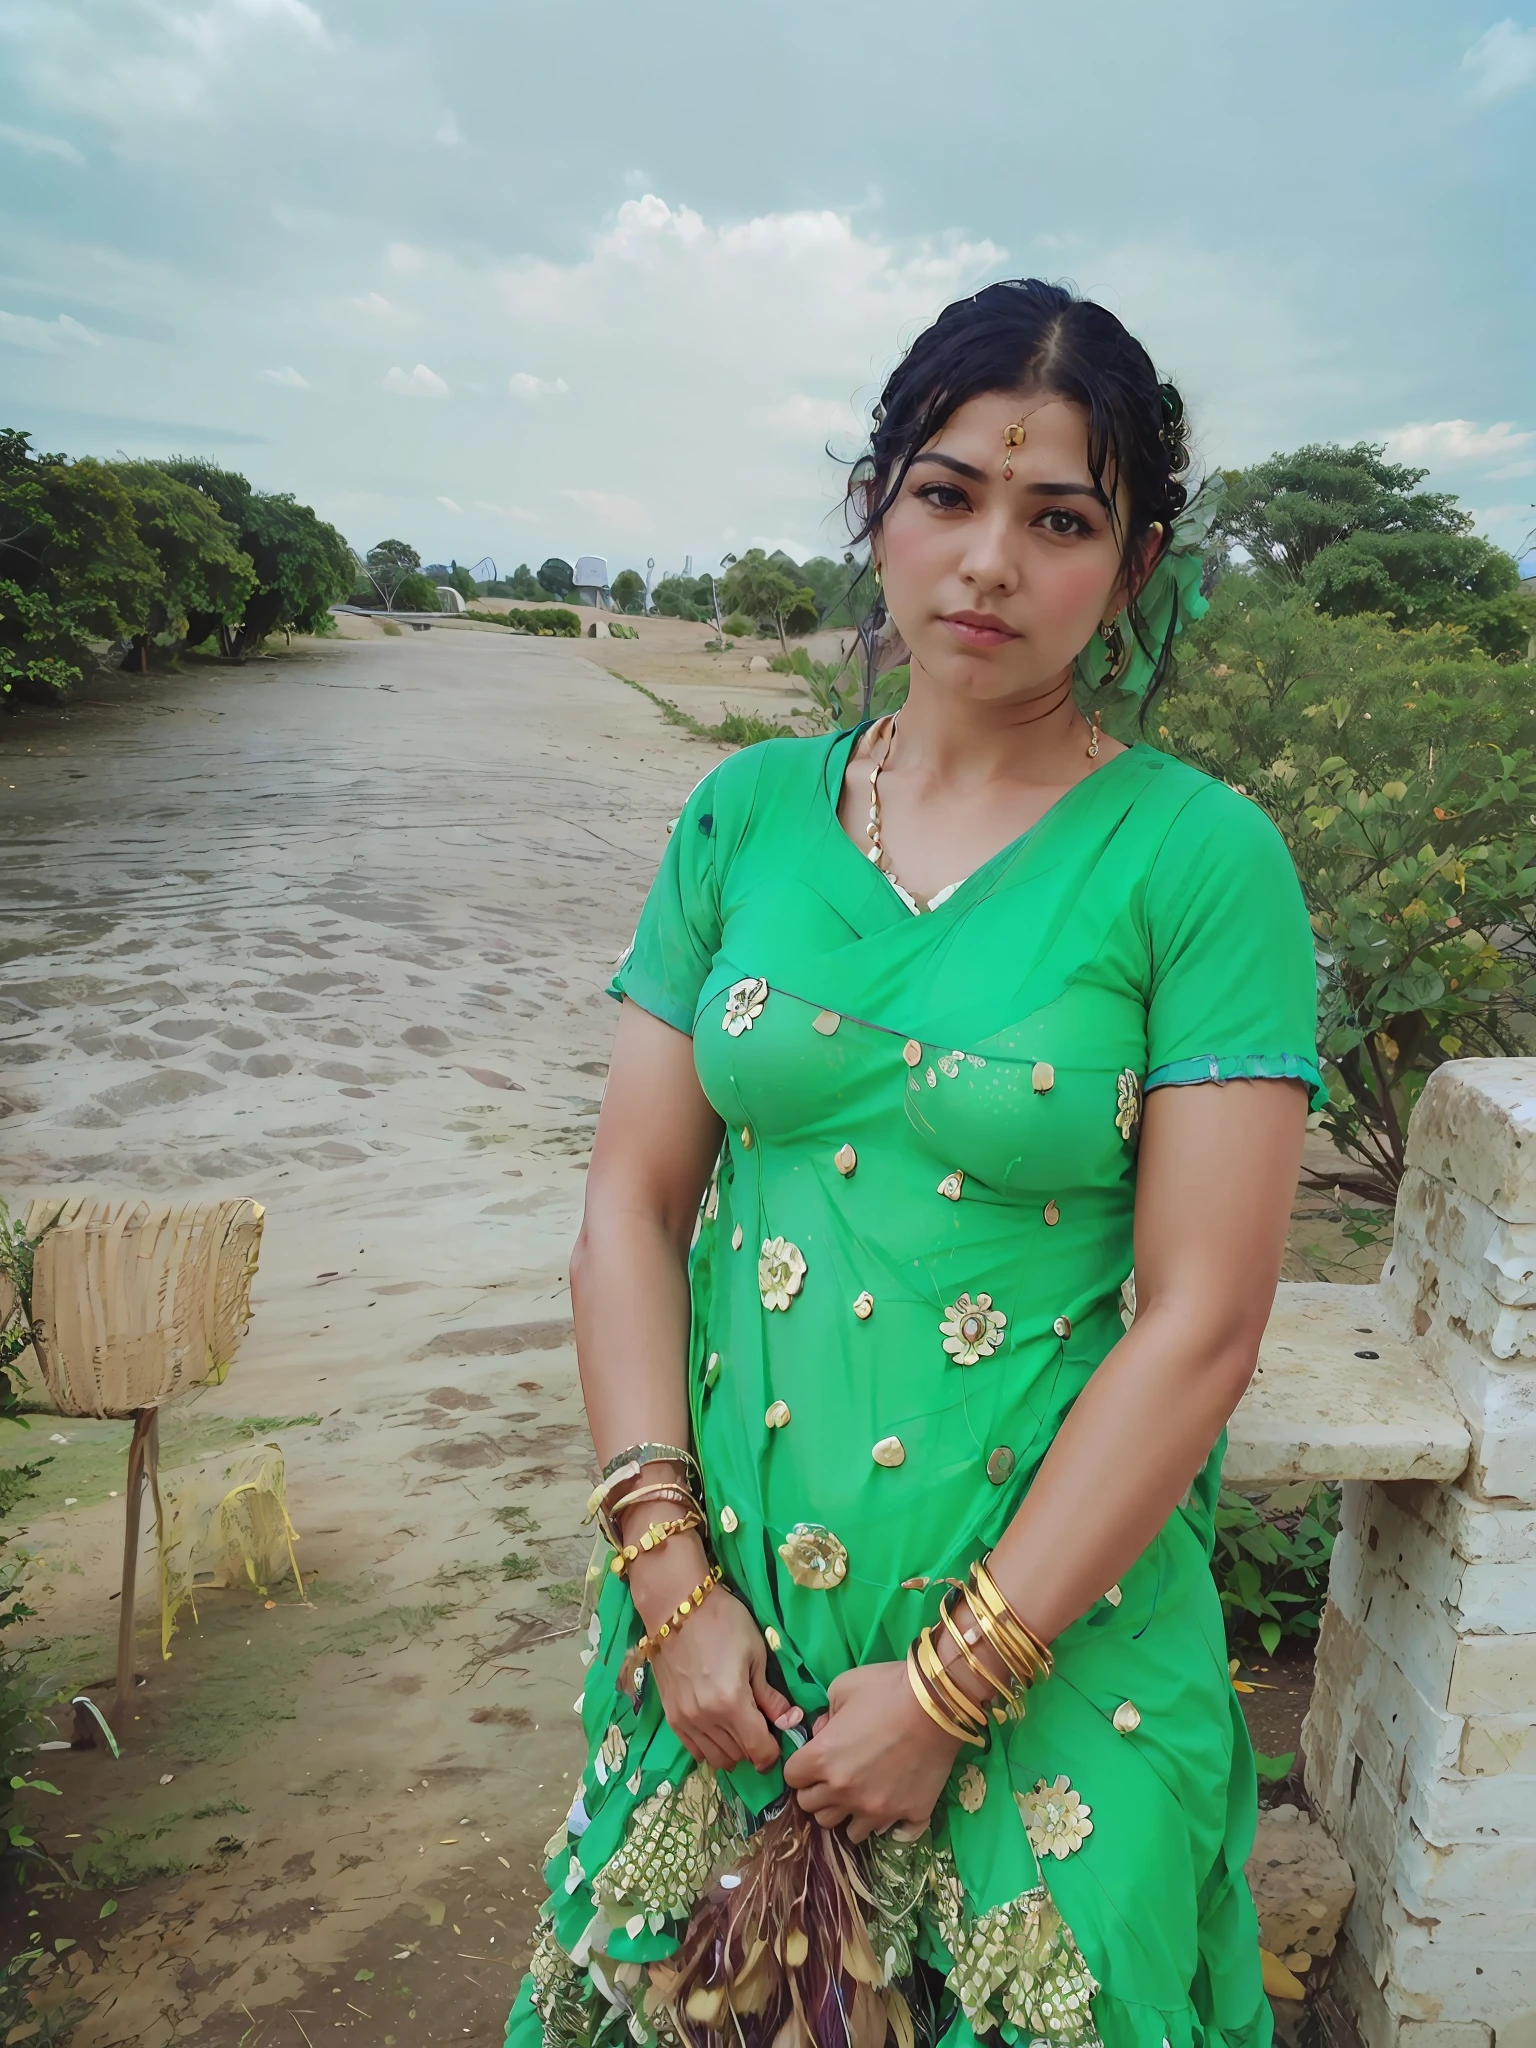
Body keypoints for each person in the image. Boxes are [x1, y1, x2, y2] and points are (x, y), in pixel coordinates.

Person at [505, 278, 1317, 2048]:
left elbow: (1203, 1320)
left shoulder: (1199, 860)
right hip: (723, 1649)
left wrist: (957, 1687)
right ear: (876, 504)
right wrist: (668, 1585)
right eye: (948, 494)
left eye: (1061, 519)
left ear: (1140, 558)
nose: (989, 564)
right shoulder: (742, 818)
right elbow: (629, 1210)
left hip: (1048, 1645)